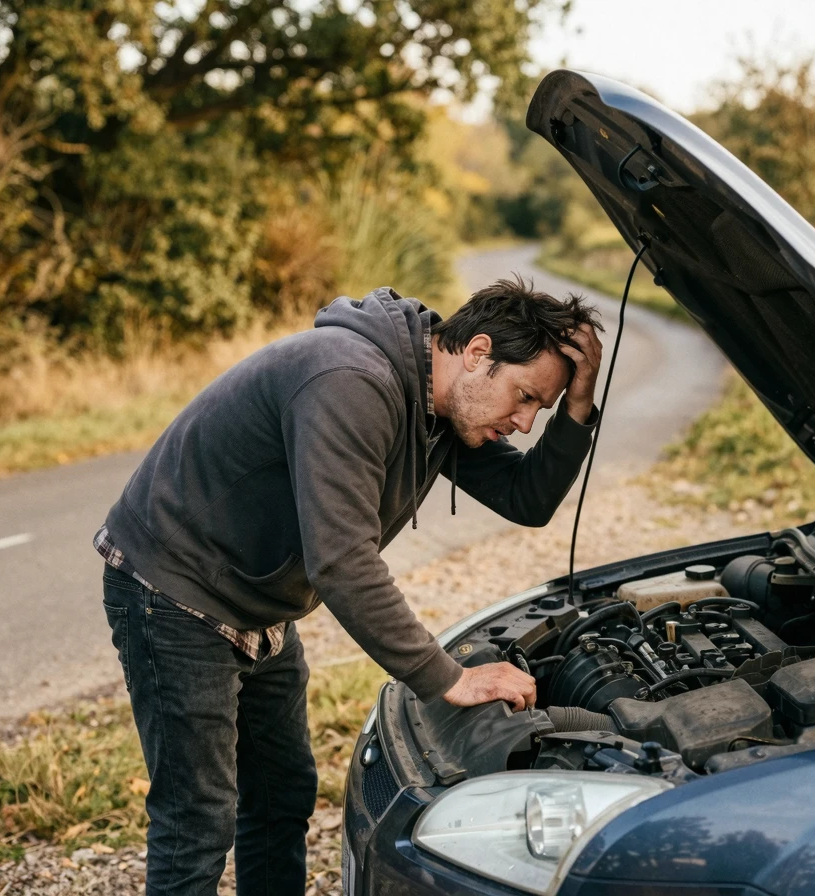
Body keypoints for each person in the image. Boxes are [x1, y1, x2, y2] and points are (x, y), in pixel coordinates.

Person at [96, 276, 604, 895]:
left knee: (281, 794)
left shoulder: (440, 407)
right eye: (524, 396)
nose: (525, 423)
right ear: (477, 353)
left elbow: (526, 499)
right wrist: (449, 677)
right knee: (197, 820)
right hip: (174, 589)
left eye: (539, 409)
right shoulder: (352, 381)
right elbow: (341, 562)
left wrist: (577, 408)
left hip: (255, 603)